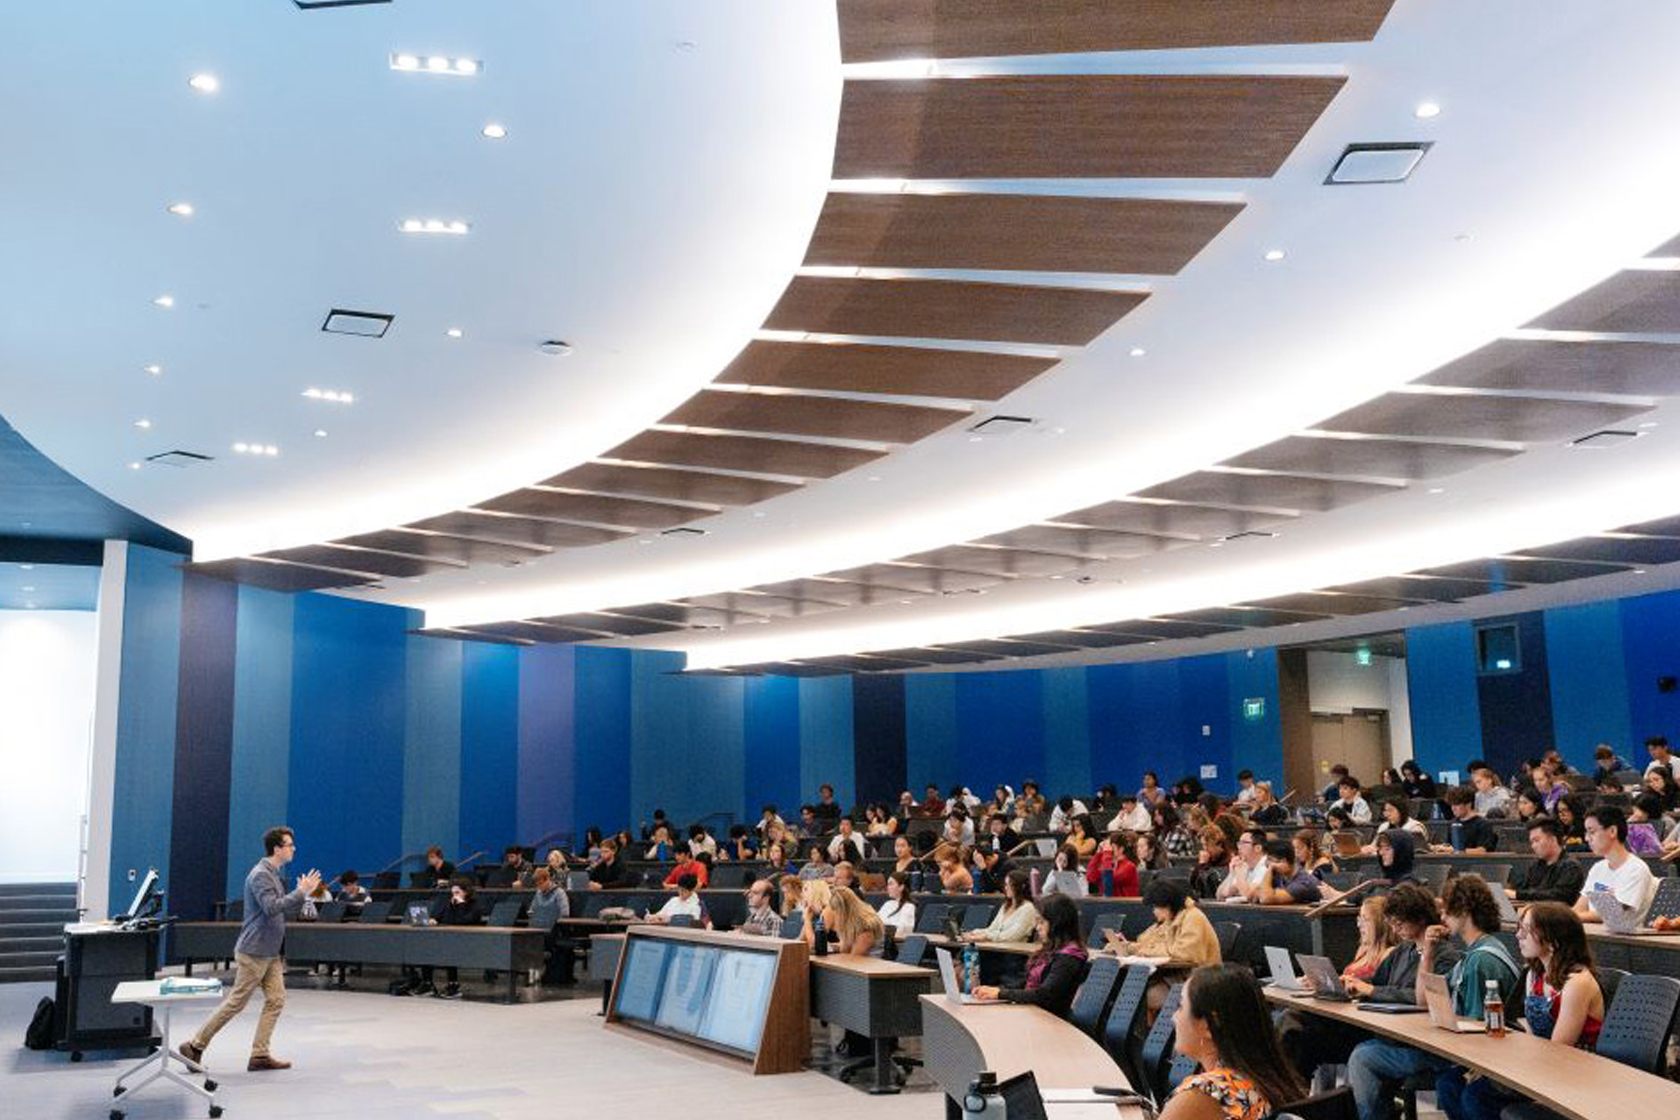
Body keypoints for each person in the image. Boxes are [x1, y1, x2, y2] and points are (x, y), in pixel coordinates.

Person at [1346, 875, 1522, 1120]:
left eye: (1447, 910)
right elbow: (1423, 999)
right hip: (1453, 1047)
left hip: (1477, 1057)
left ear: (1464, 911)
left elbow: (1478, 1025)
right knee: (1449, 1086)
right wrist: (1426, 953)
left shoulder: (1481, 959)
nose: (1442, 917)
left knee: (1365, 1057)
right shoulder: (1471, 954)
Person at [1435, 902, 1603, 1120]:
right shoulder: (1534, 975)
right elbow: (1529, 1032)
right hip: (1539, 1059)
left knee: (1476, 1096)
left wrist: (1504, 1066)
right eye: (1519, 928)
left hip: (1573, 1070)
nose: (1518, 936)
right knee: (1449, 1082)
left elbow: (1559, 1051)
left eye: (1526, 930)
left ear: (1552, 939)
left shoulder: (1577, 983)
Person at [178, 827, 319, 1071]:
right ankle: (195, 1045)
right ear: (277, 848)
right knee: (237, 1002)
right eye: (289, 845)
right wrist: (301, 892)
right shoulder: (260, 875)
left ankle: (260, 1055)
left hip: (270, 951)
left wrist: (301, 897)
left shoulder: (273, 873)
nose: (293, 848)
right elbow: (271, 907)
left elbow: (280, 910)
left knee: (276, 999)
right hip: (254, 951)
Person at [1157, 964, 1306, 1120]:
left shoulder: (1205, 1093)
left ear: (1209, 1025)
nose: (1174, 1017)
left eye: (1180, 1006)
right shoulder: (1269, 1080)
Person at [969, 895, 1090, 1018]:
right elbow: (1026, 984)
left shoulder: (1069, 956)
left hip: (1050, 1019)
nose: (1038, 928)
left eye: (1042, 922)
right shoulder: (1051, 949)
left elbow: (1044, 995)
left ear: (1057, 924)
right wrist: (994, 991)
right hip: (1033, 1011)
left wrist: (1001, 994)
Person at [1573, 803, 1658, 924]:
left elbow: (1616, 915)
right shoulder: (1597, 868)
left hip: (1624, 940)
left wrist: (1574, 917)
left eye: (1591, 832)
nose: (1587, 838)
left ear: (1612, 831)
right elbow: (1579, 908)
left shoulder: (1636, 869)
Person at [1112, 879, 1221, 973]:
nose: (1154, 912)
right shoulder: (1169, 919)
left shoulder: (1194, 917)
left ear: (1168, 905)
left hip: (1197, 978)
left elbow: (1185, 954)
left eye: (1156, 907)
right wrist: (1125, 945)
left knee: (1147, 989)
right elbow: (1145, 942)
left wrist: (1145, 950)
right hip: (1175, 974)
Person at [402, 879, 484, 998]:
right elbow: (439, 916)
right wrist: (433, 920)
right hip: (448, 938)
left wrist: (461, 905)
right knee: (425, 947)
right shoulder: (449, 903)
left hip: (467, 940)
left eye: (457, 892)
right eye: (453, 893)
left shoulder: (475, 906)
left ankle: (453, 985)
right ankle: (427, 983)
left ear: (466, 892)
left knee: (448, 950)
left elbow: (464, 921)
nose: (454, 896)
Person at [1511, 816, 1586, 904]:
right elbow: (1525, 890)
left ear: (1553, 840)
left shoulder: (1571, 867)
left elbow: (1558, 897)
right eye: (1531, 842)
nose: (1533, 846)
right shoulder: (1535, 866)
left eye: (1537, 840)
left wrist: (1517, 894)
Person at [528, 867, 575, 983]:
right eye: (537, 884)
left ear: (547, 880)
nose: (539, 887)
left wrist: (550, 917)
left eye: (541, 883)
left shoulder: (559, 893)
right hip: (539, 927)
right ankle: (530, 973)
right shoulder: (538, 893)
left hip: (554, 929)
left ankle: (545, 972)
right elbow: (532, 910)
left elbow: (565, 913)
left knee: (545, 939)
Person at [965, 869, 1038, 942]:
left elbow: (1013, 936)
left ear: (1021, 887)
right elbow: (992, 929)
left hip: (1013, 950)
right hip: (997, 947)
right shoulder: (1006, 906)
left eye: (1010, 885)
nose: (1006, 888)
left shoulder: (1028, 908)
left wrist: (985, 937)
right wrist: (974, 933)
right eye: (1006, 884)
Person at [1341, 895, 1398, 984]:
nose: (1359, 925)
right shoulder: (1363, 949)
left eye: (1365, 919)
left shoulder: (1390, 953)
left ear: (1380, 924)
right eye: (1359, 919)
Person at [1253, 839, 1322, 904]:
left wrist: (1270, 868)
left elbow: (1266, 898)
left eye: (1270, 860)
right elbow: (1253, 895)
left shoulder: (1304, 882)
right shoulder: (1279, 875)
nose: (1267, 864)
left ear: (1283, 861)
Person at [1432, 785, 1498, 853]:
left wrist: (1456, 851)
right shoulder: (1453, 823)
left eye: (1457, 805)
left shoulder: (1483, 824)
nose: (1453, 808)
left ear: (1468, 804)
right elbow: (1450, 846)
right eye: (1452, 805)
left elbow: (1483, 851)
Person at [1216, 828, 1270, 901]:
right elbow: (1220, 895)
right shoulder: (1244, 865)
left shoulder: (1266, 866)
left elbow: (1249, 896)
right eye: (1239, 843)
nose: (1239, 847)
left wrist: (1239, 875)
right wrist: (1232, 874)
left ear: (1258, 848)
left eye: (1243, 843)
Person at [1085, 830, 1139, 897]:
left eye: (1112, 848)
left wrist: (1107, 855)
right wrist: (1098, 854)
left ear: (1121, 849)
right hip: (1109, 903)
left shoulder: (1129, 867)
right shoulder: (1109, 864)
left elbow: (1108, 883)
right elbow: (1091, 877)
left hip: (1125, 904)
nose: (1109, 851)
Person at [878, 871, 917, 935]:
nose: (888, 887)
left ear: (901, 887)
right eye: (888, 884)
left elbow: (903, 929)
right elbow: (876, 921)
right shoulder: (888, 904)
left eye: (891, 884)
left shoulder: (909, 907)